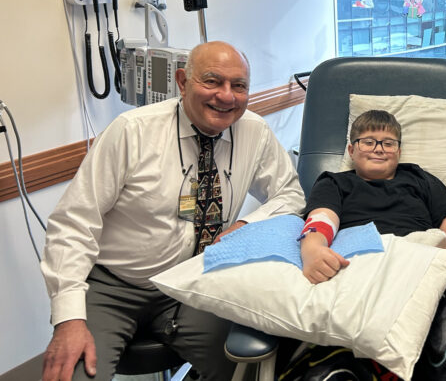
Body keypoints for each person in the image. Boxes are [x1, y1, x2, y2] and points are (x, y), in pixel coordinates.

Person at [40, 41, 305, 381]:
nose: (226, 96)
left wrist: (247, 224)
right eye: (212, 81)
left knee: (254, 368)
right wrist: (69, 319)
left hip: (195, 281)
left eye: (238, 86)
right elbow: (73, 223)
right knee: (72, 374)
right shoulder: (131, 131)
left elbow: (290, 195)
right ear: (182, 82)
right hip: (114, 286)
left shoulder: (254, 132)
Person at [300, 109, 446, 287]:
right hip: (357, 269)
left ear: (398, 152)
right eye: (368, 142)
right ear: (351, 151)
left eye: (388, 144)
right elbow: (321, 223)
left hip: (417, 267)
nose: (378, 149)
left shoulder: (420, 179)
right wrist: (313, 250)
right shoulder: (333, 183)